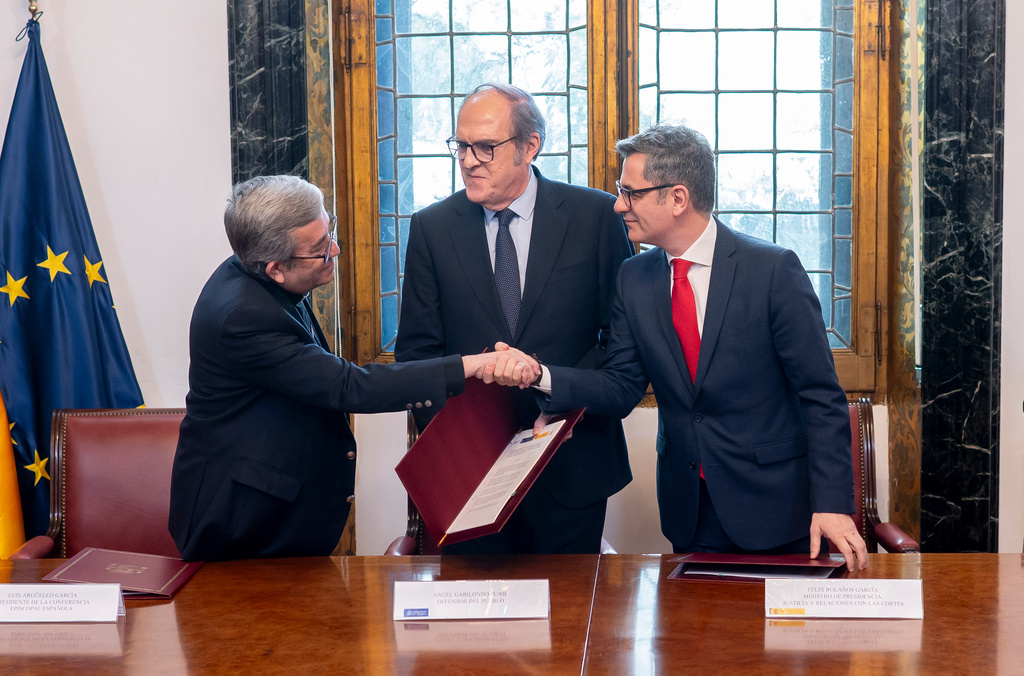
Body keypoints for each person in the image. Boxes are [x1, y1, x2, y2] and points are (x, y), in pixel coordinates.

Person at [526, 124, 868, 570]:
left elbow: (820, 398)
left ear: (678, 198)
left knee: (775, 641)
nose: (618, 205)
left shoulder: (772, 271)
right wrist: (543, 377)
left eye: (630, 193)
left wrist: (832, 503)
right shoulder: (635, 278)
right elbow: (622, 385)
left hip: (775, 508)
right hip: (689, 510)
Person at [168, 175, 537, 562]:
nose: (336, 250)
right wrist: (472, 366)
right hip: (241, 523)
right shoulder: (242, 315)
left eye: (330, 232)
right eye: (320, 250)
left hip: (273, 510)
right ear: (275, 267)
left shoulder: (261, 271)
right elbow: (348, 385)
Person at [395, 83, 633, 555]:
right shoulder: (431, 229)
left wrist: (552, 389)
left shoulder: (596, 216)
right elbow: (416, 356)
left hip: (573, 464)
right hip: (471, 479)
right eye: (460, 146)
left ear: (530, 146)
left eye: (485, 147)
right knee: (476, 625)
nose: (467, 160)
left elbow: (621, 345)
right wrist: (466, 443)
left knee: (572, 622)